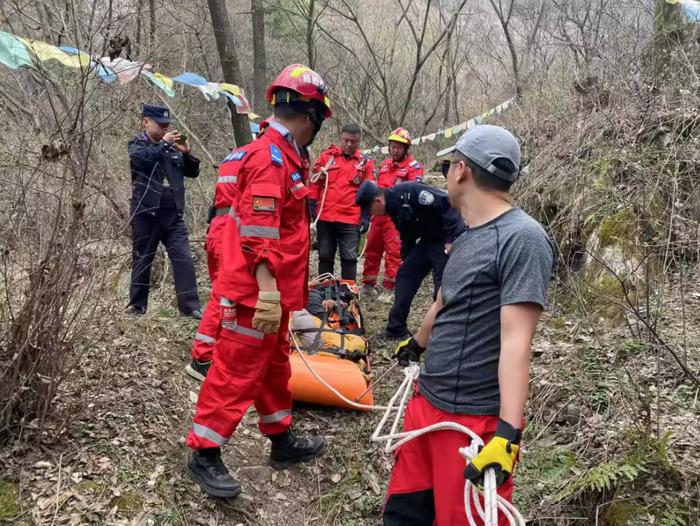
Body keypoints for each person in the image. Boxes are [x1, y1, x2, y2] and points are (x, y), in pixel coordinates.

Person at [382, 125, 556, 525]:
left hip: (472, 424)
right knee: (405, 514)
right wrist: (416, 344)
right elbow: (445, 301)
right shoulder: (466, 237)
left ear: (461, 170)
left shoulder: (522, 238)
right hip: (428, 405)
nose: (444, 174)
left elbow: (517, 340)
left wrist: (507, 434)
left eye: (447, 165)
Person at [185, 64, 332, 499]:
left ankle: (280, 440)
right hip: (256, 294)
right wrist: (268, 292)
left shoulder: (287, 157)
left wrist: (286, 298)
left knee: (273, 369)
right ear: (311, 117)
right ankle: (204, 452)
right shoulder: (269, 159)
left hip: (274, 294)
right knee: (235, 372)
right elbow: (258, 232)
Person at [355, 180, 465, 340]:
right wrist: (406, 259)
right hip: (427, 241)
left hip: (445, 238)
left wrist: (451, 239)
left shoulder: (410, 192)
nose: (372, 215)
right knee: (405, 275)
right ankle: (396, 329)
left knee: (442, 285)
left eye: (370, 210)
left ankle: (442, 331)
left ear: (377, 201)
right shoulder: (392, 207)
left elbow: (446, 203)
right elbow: (407, 234)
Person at [127, 104, 202, 318]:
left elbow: (192, 172)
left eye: (166, 126)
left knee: (183, 258)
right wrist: (164, 144)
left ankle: (191, 307)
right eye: (160, 125)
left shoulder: (171, 148)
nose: (164, 129)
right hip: (147, 212)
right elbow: (143, 160)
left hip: (173, 212)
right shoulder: (137, 144)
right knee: (143, 258)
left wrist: (187, 153)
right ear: (146, 122)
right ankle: (137, 307)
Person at [361, 128, 423, 303]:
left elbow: (415, 192)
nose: (394, 150)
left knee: (393, 251)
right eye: (392, 147)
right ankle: (368, 284)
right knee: (372, 249)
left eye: (398, 147)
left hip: (396, 218)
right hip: (378, 214)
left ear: (406, 149)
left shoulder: (413, 168)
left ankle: (390, 287)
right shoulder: (385, 165)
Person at [310, 123, 375, 280]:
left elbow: (370, 192)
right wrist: (311, 205)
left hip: (350, 219)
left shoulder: (365, 163)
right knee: (325, 256)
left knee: (349, 258)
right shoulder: (327, 157)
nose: (349, 144)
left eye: (354, 142)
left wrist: (366, 216)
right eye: (346, 140)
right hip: (326, 217)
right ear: (341, 138)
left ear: (359, 142)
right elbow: (315, 183)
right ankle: (324, 294)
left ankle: (348, 297)